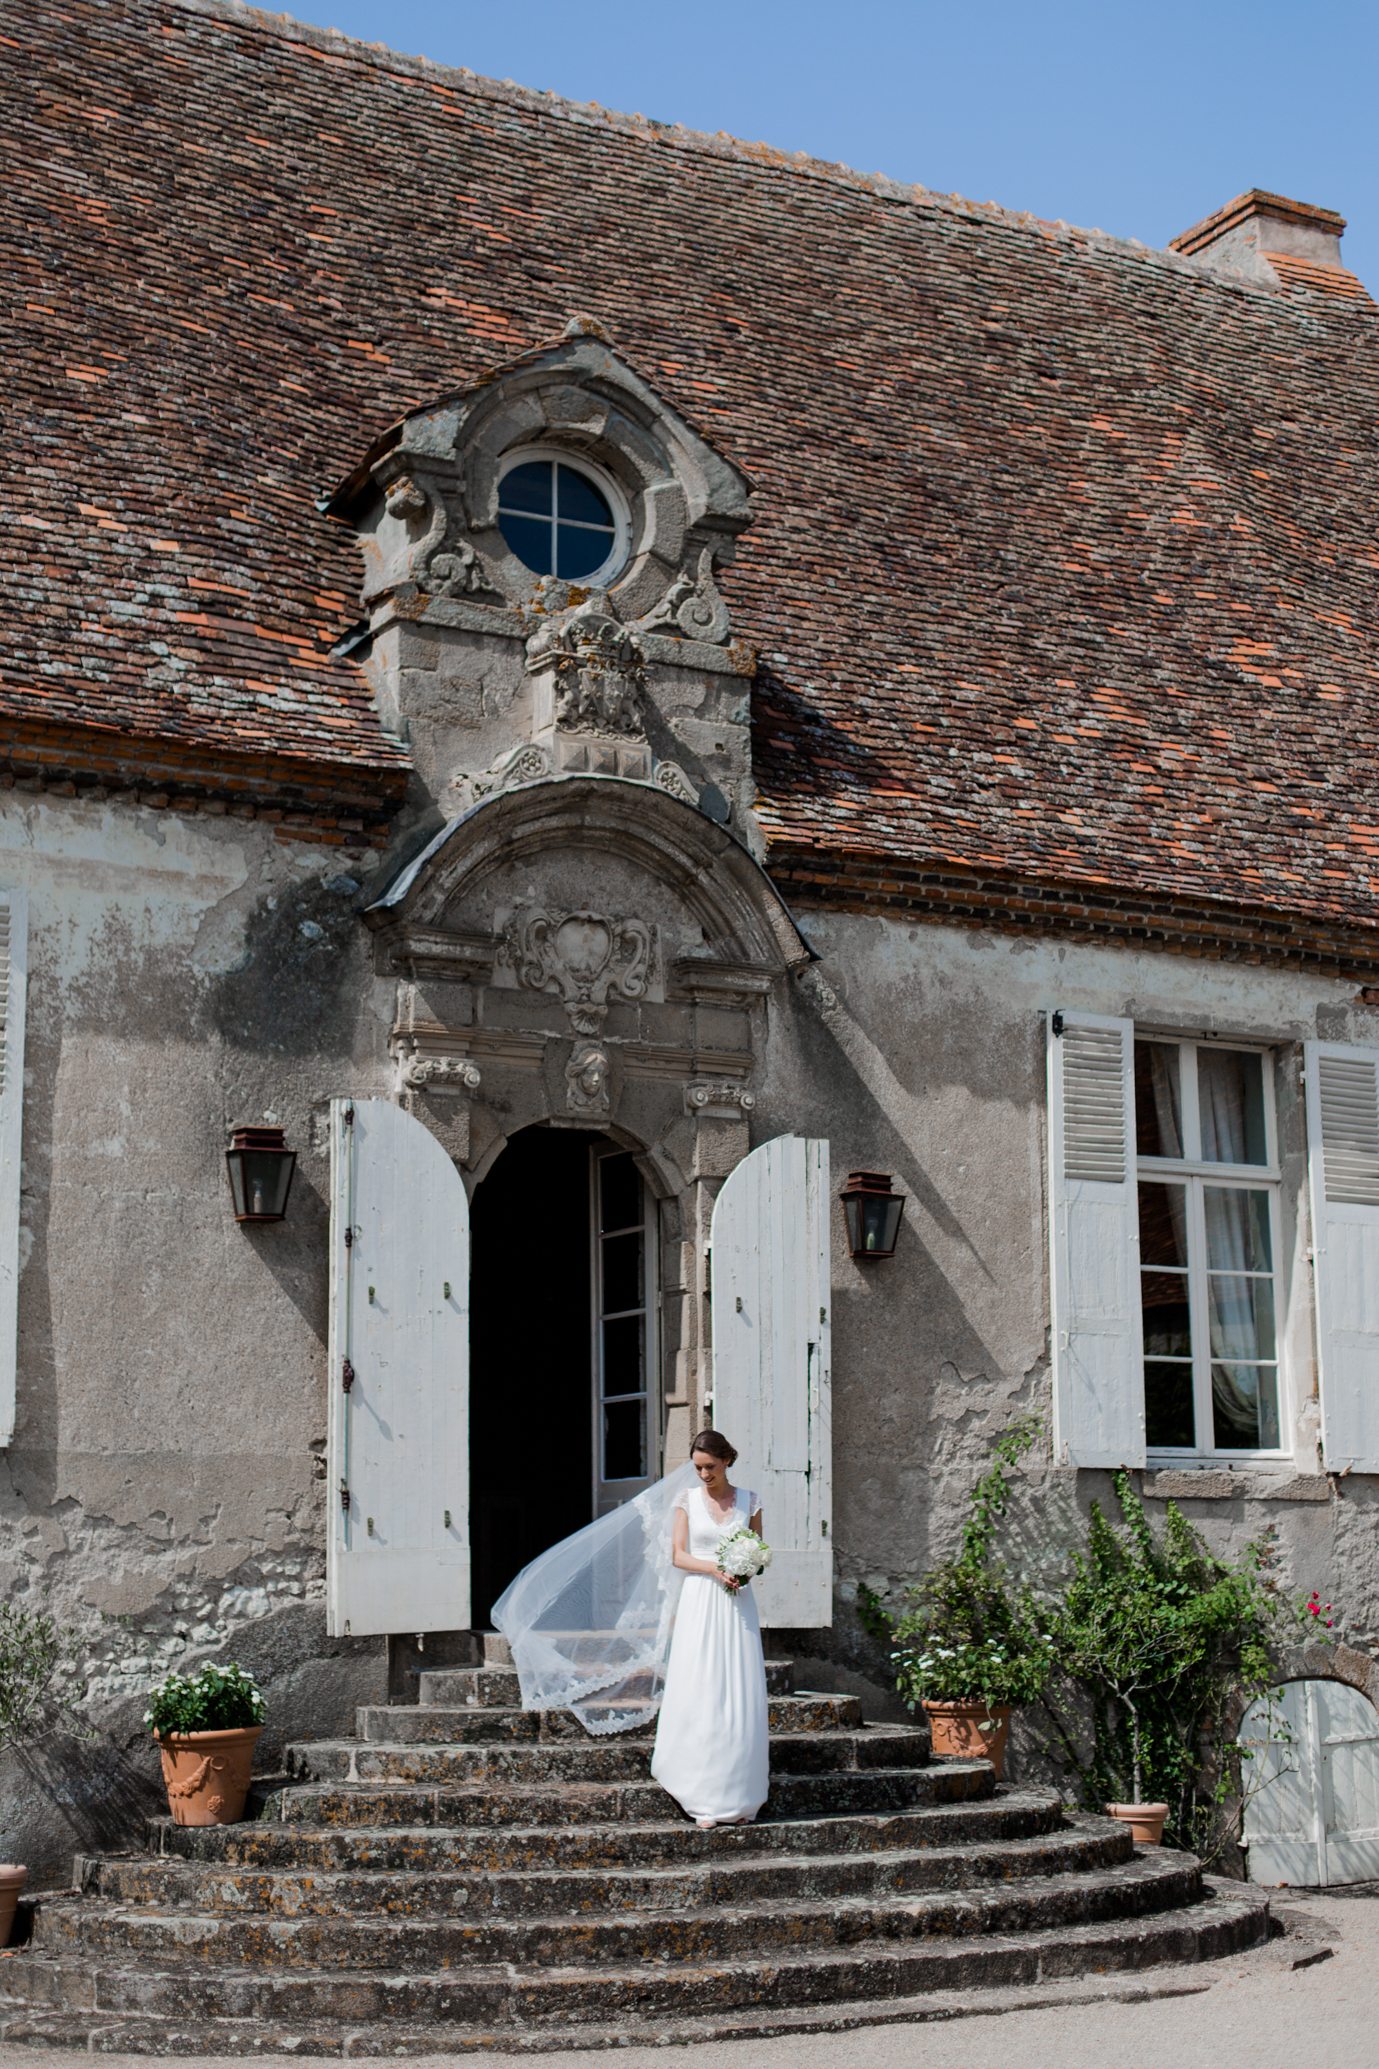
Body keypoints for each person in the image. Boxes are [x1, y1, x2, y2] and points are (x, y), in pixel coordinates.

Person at [649, 1429, 770, 1828]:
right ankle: (698, 1790)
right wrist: (716, 1570)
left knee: (738, 1690)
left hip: (737, 1606)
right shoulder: (687, 1501)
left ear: (727, 1461)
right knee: (701, 1686)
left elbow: (758, 1554)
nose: (702, 1474)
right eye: (698, 1467)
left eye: (710, 1467)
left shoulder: (750, 1501)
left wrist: (744, 1570)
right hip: (701, 1600)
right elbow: (679, 1555)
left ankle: (739, 1793)